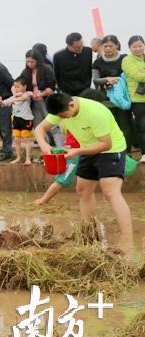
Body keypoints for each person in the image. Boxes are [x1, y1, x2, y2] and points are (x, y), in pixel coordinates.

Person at [34, 93, 133, 255]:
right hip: (87, 149)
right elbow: (40, 129)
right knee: (82, 190)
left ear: (72, 105)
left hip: (111, 149)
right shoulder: (60, 107)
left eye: (63, 116)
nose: (61, 119)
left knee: (110, 192)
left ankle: (127, 240)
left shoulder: (95, 112)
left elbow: (105, 144)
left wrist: (78, 151)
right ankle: (90, 234)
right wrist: (44, 144)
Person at [92, 34, 131, 152]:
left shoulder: (125, 58)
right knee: (110, 127)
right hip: (106, 98)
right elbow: (96, 80)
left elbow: (129, 76)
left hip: (123, 98)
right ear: (102, 47)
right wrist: (107, 79)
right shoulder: (97, 62)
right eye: (105, 46)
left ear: (117, 46)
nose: (108, 48)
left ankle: (126, 152)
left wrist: (118, 81)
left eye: (111, 46)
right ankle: (113, 151)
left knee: (125, 126)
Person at [20, 48, 57, 140]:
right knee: (38, 126)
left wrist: (40, 94)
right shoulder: (26, 72)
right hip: (34, 103)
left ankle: (59, 148)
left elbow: (52, 87)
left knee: (53, 124)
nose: (30, 64)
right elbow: (19, 83)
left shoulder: (46, 69)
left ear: (38, 60)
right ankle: (45, 149)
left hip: (46, 101)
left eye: (32, 62)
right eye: (27, 62)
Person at [36, 132, 81, 205]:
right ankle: (83, 199)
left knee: (62, 179)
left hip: (74, 152)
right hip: (72, 150)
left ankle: (44, 200)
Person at [0, 77, 34, 164]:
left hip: (26, 119)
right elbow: (3, 104)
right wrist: (0, 101)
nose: (16, 89)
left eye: (18, 87)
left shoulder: (27, 94)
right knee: (17, 139)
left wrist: (12, 98)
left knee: (26, 139)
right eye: (15, 87)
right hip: (16, 119)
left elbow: (21, 98)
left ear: (24, 86)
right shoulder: (13, 96)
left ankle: (28, 159)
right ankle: (18, 157)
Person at [122, 35, 145, 162]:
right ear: (130, 48)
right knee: (142, 127)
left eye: (140, 46)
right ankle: (144, 153)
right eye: (134, 46)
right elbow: (137, 76)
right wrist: (140, 72)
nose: (138, 49)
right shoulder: (127, 60)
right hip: (138, 99)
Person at [53, 32, 93, 97]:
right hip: (67, 91)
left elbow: (89, 70)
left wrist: (87, 85)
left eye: (81, 46)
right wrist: (61, 89)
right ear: (68, 45)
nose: (80, 49)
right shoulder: (58, 56)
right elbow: (57, 75)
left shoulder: (88, 51)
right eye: (77, 47)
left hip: (85, 88)